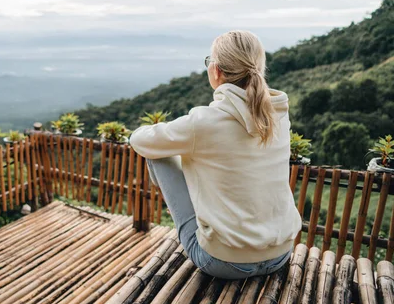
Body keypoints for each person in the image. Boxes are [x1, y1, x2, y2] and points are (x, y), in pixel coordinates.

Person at [129, 30, 302, 280]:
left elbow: (140, 141)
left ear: (216, 70)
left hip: (224, 262)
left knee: (158, 154)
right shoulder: (279, 115)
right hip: (281, 253)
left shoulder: (203, 122)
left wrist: (185, 159)